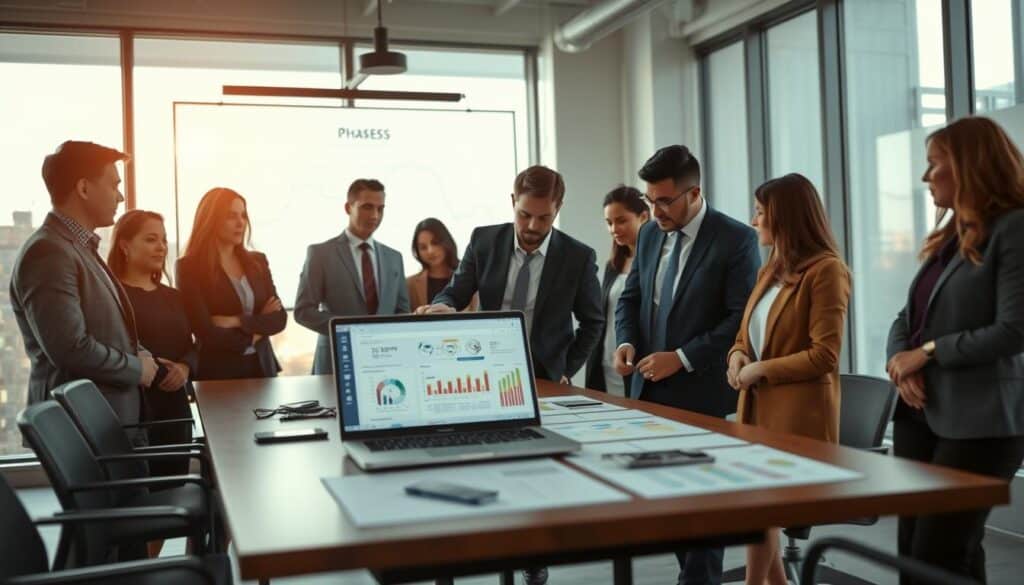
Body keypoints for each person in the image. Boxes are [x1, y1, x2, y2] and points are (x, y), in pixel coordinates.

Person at [886, 116, 1024, 584]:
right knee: (926, 557)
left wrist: (926, 354)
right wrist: (900, 364)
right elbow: (906, 319)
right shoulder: (949, 237)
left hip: (981, 423)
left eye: (934, 165)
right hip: (920, 415)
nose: (925, 178)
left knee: (935, 559)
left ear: (968, 167)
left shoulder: (1015, 229)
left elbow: (1014, 329)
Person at [614, 145, 760, 585]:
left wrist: (680, 358)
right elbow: (631, 298)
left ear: (694, 193)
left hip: (700, 392)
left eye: (664, 201)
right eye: (650, 200)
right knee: (670, 505)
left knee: (703, 508)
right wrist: (626, 342)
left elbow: (740, 318)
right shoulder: (652, 235)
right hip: (648, 390)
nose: (654, 210)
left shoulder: (736, 239)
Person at [726, 173, 851, 585]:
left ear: (786, 218)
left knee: (760, 510)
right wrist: (738, 354)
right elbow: (747, 333)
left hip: (797, 420)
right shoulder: (772, 269)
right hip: (757, 412)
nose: (754, 220)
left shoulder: (827, 271)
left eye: (761, 213)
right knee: (758, 510)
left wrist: (761, 369)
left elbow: (824, 355)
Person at [10, 141, 157, 439]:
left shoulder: (79, 247)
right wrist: (136, 369)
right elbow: (69, 347)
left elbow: (108, 328)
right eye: (114, 184)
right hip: (84, 428)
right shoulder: (49, 252)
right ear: (84, 188)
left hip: (107, 422)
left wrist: (142, 355)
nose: (121, 195)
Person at [420, 165, 604, 384]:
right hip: (483, 365)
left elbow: (593, 322)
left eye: (544, 218)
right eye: (524, 215)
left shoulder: (577, 257)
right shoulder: (484, 241)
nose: (533, 226)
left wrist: (566, 370)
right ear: (512, 201)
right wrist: (443, 306)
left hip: (545, 375)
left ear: (558, 208)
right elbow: (454, 293)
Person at [108, 210, 197, 476]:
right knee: (145, 493)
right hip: (137, 411)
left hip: (176, 410)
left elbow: (193, 345)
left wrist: (184, 367)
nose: (161, 247)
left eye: (163, 240)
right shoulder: (114, 298)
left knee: (177, 489)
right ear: (125, 245)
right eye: (150, 240)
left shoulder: (174, 297)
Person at [295, 178, 410, 375]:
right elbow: (303, 311)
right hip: (336, 361)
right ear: (348, 207)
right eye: (367, 207)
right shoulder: (320, 254)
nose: (375, 215)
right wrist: (348, 330)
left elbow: (402, 312)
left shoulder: (394, 258)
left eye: (380, 209)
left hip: (385, 363)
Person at [176, 188, 287, 380]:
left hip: (263, 369)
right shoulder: (189, 267)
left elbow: (279, 319)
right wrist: (256, 330)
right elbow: (205, 331)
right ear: (211, 219)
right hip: (218, 373)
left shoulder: (257, 262)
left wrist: (235, 321)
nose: (240, 223)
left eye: (243, 215)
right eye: (231, 216)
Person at [585, 186, 648, 396]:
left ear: (644, 217)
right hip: (606, 361)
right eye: (609, 223)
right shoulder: (613, 265)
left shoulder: (655, 264)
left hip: (637, 363)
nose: (614, 229)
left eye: (621, 221)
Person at [406, 217, 477, 310]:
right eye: (423, 247)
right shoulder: (410, 284)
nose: (430, 251)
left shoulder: (469, 278)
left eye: (435, 243)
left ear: (446, 241)